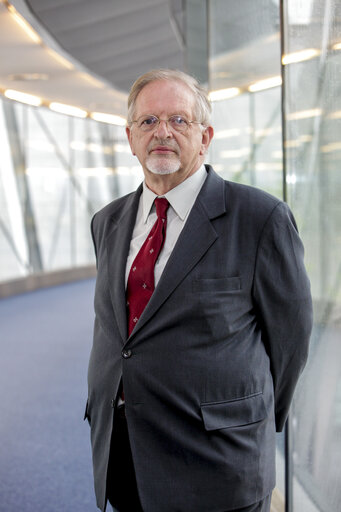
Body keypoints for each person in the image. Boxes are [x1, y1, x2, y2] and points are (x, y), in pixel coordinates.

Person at [85, 69, 313, 512]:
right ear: (130, 138)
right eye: (148, 122)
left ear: (205, 136)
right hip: (124, 451)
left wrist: (253, 420)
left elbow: (291, 341)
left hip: (217, 462)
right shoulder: (107, 221)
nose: (162, 132)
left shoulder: (260, 218)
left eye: (178, 120)